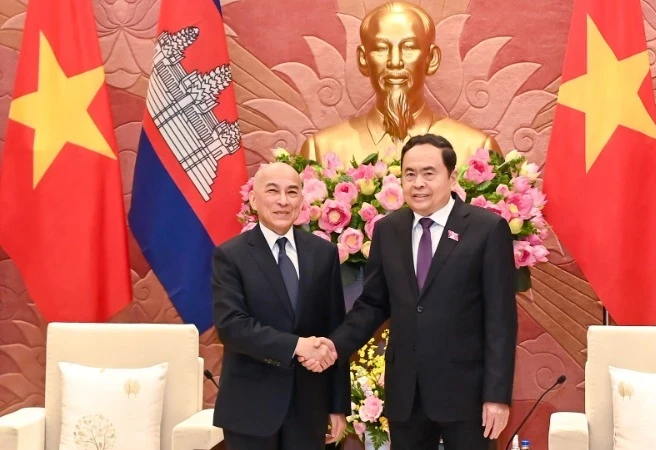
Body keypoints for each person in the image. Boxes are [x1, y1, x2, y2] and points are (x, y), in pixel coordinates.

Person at [304, 134, 517, 450]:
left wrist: (497, 396)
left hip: (467, 395)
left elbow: (501, 319)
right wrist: (333, 346)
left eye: (429, 173)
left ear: (452, 177)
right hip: (407, 394)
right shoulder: (389, 230)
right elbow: (373, 304)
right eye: (410, 174)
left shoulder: (486, 229)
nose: (418, 183)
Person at [211, 162, 350, 450]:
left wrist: (338, 404)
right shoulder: (231, 255)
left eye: (292, 192)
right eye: (273, 191)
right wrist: (296, 346)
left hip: (308, 408)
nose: (283, 201)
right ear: (254, 198)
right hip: (250, 408)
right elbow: (232, 326)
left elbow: (335, 329)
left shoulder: (323, 253)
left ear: (302, 200)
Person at [300, 1, 501, 164]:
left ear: (431, 59)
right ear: (363, 59)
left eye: (409, 48)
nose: (395, 62)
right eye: (380, 48)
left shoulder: (477, 150)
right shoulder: (320, 151)